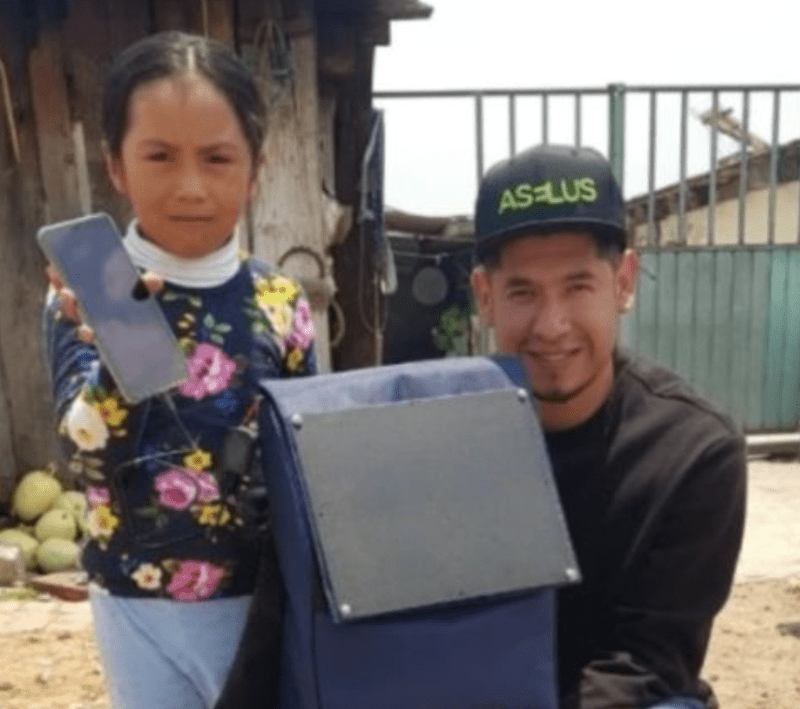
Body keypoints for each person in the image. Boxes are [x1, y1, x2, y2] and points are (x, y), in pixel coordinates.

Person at [43, 31, 316, 709]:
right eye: (159, 156)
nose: (190, 185)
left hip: (258, 606)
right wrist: (120, 348)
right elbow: (84, 439)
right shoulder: (88, 287)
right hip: (133, 606)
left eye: (218, 157)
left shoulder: (280, 303)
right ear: (116, 164)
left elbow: (308, 453)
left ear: (255, 168)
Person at [470, 144, 747, 709]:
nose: (551, 326)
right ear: (485, 297)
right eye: (522, 291)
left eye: (578, 287)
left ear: (623, 281)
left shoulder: (695, 452)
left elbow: (650, 660)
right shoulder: (441, 434)